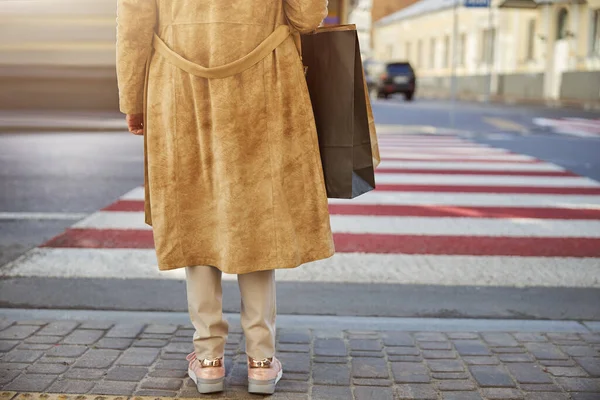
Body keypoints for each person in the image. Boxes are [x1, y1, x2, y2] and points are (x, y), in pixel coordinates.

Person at [116, 0, 335, 395]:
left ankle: (209, 358)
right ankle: (262, 359)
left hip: (178, 82)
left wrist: (132, 99)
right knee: (259, 215)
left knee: (194, 214)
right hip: (264, 80)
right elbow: (306, 17)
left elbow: (133, 26)